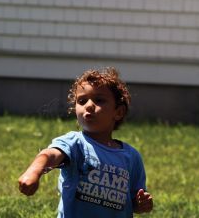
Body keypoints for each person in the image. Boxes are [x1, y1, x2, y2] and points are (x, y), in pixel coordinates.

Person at [18, 67, 153, 217]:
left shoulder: (131, 156)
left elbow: (133, 202)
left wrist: (141, 204)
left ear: (118, 112)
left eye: (99, 100)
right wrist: (33, 171)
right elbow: (49, 155)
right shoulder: (75, 143)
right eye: (82, 101)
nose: (88, 105)